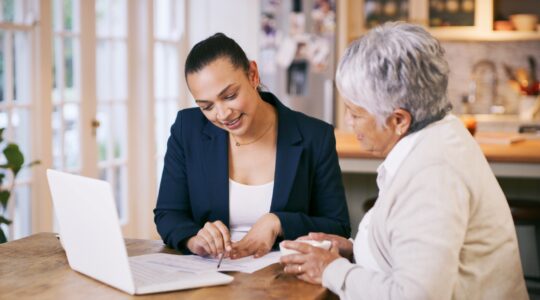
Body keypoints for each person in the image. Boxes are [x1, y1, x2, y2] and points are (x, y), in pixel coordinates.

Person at [280, 22, 527, 299]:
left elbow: (416, 295)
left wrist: (331, 270)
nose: (349, 124)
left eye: (355, 113)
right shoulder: (439, 133)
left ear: (399, 120)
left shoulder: (432, 176)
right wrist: (355, 248)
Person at [154, 33, 350, 259]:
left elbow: (338, 227)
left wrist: (278, 222)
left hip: (285, 278)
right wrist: (193, 239)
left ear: (253, 75)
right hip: (211, 276)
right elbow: (168, 213)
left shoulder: (315, 136)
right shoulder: (186, 129)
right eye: (207, 107)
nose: (223, 114)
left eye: (230, 95)